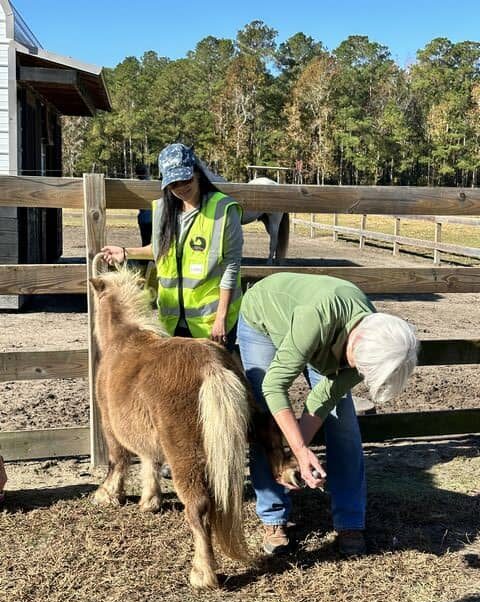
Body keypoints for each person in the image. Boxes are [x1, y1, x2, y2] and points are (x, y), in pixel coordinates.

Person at [237, 272, 418, 557]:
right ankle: (273, 517)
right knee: (267, 422)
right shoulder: (316, 317)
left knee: (343, 425)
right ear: (355, 342)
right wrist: (296, 448)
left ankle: (349, 521)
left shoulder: (378, 343)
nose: (356, 374)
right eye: (358, 367)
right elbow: (275, 386)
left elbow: (324, 398)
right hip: (264, 319)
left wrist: (298, 457)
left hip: (323, 336)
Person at [101, 143, 243, 351]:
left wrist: (220, 318)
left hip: (210, 321)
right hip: (172, 320)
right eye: (173, 183)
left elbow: (231, 266)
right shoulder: (162, 209)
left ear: (197, 172)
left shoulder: (223, 210)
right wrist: (126, 252)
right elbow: (162, 250)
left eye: (186, 179)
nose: (181, 187)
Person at [135, 163, 153, 247]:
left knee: (145, 242)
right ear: (146, 172)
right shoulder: (151, 184)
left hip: (143, 218)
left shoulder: (136, 185)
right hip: (152, 218)